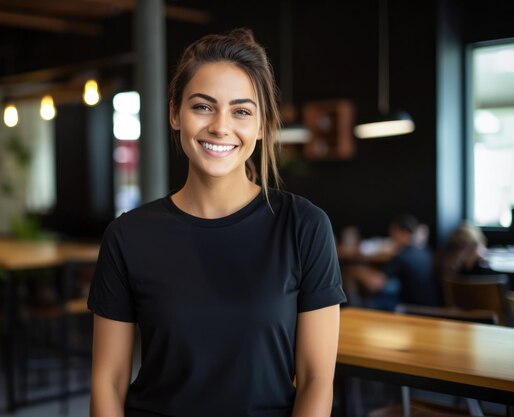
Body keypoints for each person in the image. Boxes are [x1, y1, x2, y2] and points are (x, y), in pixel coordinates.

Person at [88, 28, 346, 417]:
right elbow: (107, 382)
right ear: (175, 113)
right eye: (203, 107)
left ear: (261, 127)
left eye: (241, 111)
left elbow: (315, 380)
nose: (221, 127)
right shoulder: (128, 236)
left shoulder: (303, 226)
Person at [344, 214, 439, 310]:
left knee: (373, 300)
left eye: (393, 233)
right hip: (432, 306)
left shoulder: (403, 256)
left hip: (412, 308)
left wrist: (355, 271)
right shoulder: (426, 251)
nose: (392, 238)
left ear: (401, 232)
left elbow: (375, 284)